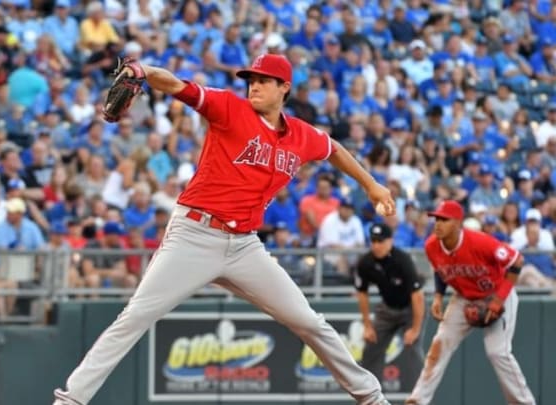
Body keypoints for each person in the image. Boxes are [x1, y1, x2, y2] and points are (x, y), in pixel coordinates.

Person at [53, 54, 395, 405]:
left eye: (263, 80)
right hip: (194, 235)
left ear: (284, 88)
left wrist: (371, 185)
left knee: (309, 322)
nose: (254, 85)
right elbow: (175, 85)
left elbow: (333, 149)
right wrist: (143, 71)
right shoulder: (229, 108)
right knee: (135, 317)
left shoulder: (300, 135)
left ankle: (371, 398)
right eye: (251, 79)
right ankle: (70, 401)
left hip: (245, 246)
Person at [406, 201, 535, 405]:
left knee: (497, 352)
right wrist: (439, 295)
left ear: (458, 223)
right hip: (464, 296)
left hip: (497, 293)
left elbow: (516, 261)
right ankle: (417, 400)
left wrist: (498, 299)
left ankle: (524, 403)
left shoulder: (480, 242)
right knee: (439, 344)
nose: (438, 224)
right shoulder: (431, 246)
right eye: (436, 219)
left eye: (444, 220)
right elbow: (441, 270)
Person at [355, 224, 425, 390]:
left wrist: (415, 329)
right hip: (387, 309)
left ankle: (421, 398)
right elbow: (362, 293)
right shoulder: (366, 263)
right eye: (373, 241)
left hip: (410, 309)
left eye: (380, 241)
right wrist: (367, 326)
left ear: (390, 241)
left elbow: (418, 296)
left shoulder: (402, 260)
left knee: (413, 350)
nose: (376, 245)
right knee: (371, 350)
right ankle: (368, 397)